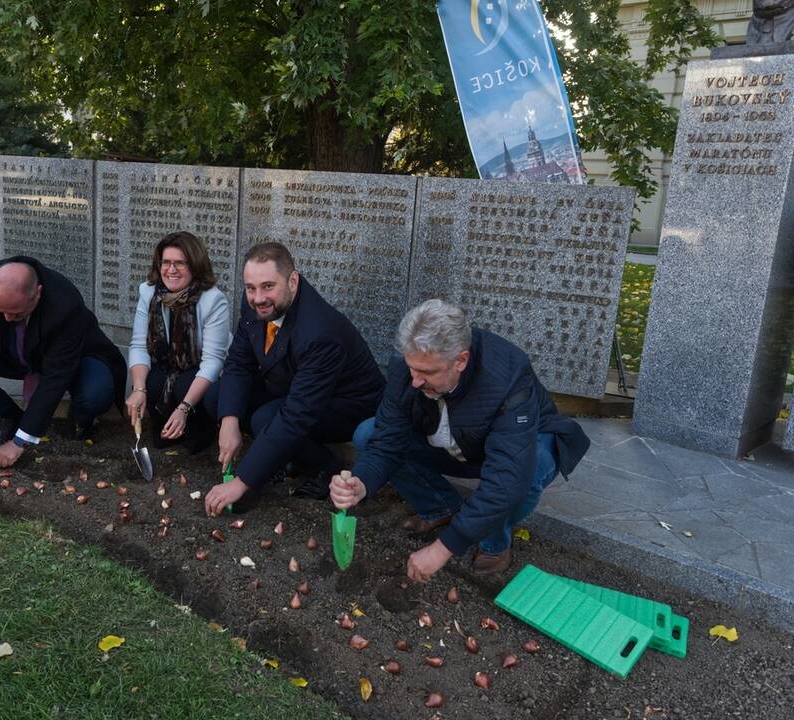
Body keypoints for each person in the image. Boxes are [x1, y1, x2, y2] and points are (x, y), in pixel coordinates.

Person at [330, 299, 590, 580]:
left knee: (526, 472)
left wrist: (443, 548)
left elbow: (507, 477)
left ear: (461, 361)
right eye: (412, 369)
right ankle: (441, 507)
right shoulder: (409, 365)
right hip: (455, 445)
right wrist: (362, 483)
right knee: (368, 434)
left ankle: (494, 542)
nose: (415, 381)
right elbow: (387, 438)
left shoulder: (508, 375)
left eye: (427, 373)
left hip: (515, 447)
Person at [203, 242, 385, 515]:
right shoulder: (255, 304)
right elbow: (239, 362)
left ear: (293, 280)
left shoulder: (319, 333)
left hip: (347, 404)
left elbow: (297, 415)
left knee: (267, 418)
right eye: (250, 288)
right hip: (291, 384)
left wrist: (242, 482)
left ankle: (327, 466)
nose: (258, 298)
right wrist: (229, 421)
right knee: (219, 397)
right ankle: (280, 458)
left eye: (267, 286)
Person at [0, 256, 126, 468]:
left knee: (95, 394)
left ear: (37, 294)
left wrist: (18, 443)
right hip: (8, 353)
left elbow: (56, 375)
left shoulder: (65, 302)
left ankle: (80, 420)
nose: (6, 319)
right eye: (0, 311)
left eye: (15, 313)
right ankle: (9, 416)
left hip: (73, 358)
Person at [125, 231, 230, 451]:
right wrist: (139, 389)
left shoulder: (213, 300)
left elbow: (212, 362)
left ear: (195, 266)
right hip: (168, 365)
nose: (171, 270)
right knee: (152, 382)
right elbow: (138, 345)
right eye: (166, 262)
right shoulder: (148, 293)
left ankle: (201, 432)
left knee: (185, 386)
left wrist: (183, 408)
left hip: (201, 369)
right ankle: (171, 431)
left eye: (180, 263)